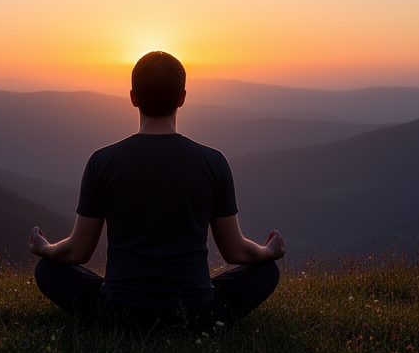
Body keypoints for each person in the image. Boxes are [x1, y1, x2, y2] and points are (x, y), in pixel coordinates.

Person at [29, 51, 284, 332]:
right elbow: (235, 251)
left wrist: (46, 249)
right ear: (182, 98)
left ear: (133, 98)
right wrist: (267, 252)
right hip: (197, 315)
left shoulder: (102, 162)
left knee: (46, 269)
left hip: (118, 315)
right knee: (267, 271)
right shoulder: (214, 163)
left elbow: (78, 251)